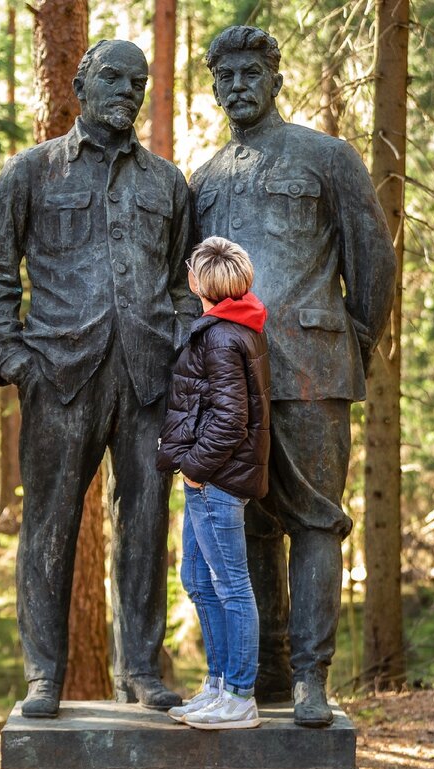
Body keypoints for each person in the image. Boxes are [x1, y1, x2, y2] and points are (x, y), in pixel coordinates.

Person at [0, 39, 198, 718]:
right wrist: (12, 359)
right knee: (50, 524)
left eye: (138, 81)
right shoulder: (32, 173)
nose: (127, 89)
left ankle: (141, 673)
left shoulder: (167, 183)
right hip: (59, 374)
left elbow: (189, 280)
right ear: (80, 84)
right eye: (113, 78)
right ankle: (45, 674)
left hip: (149, 377)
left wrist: (180, 338)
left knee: (146, 524)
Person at [190, 26, 396, 727]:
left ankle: (311, 678)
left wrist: (353, 341)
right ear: (214, 87)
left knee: (313, 521)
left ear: (276, 81)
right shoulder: (207, 179)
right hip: (231, 378)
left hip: (312, 370)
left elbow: (374, 260)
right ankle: (264, 672)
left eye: (251, 74)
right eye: (226, 77)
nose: (238, 86)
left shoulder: (327, 157)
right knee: (245, 524)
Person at [157, 237, 271, 730]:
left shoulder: (223, 337)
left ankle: (241, 696)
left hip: (217, 480)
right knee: (199, 581)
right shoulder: (229, 329)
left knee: (230, 587)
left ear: (197, 281)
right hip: (210, 477)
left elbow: (230, 419)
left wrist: (197, 470)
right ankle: (219, 685)